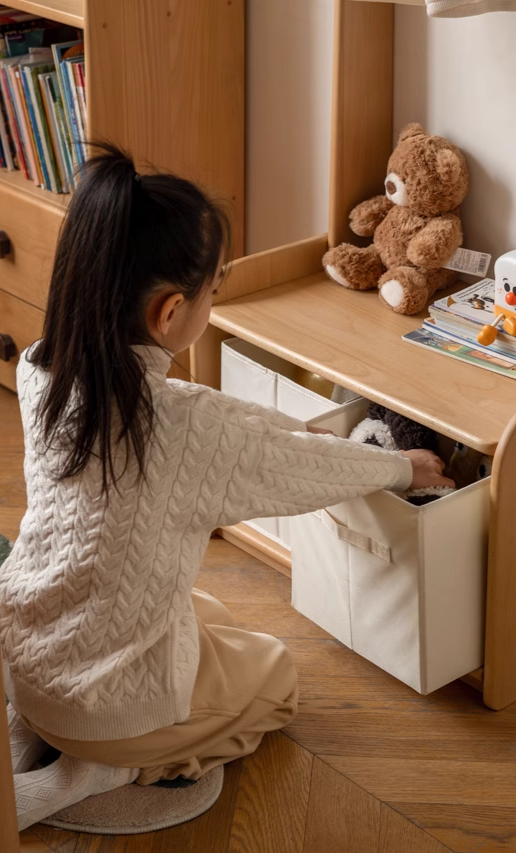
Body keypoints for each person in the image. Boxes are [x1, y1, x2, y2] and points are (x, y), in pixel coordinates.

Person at [0, 145, 454, 830]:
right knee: (274, 679)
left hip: (26, 648)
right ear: (171, 311)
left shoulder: (45, 369)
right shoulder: (184, 432)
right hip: (102, 706)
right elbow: (295, 468)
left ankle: (35, 730)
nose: (216, 298)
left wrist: (302, 431)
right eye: (214, 288)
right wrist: (403, 468)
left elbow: (224, 427)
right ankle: (97, 770)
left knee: (200, 608)